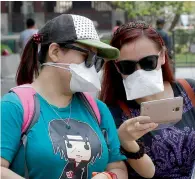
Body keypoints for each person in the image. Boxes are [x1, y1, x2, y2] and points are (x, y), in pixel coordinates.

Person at [1, 14, 154, 179]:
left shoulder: (98, 109)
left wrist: (108, 176)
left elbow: (118, 168)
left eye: (98, 61)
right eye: (88, 57)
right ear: (55, 52)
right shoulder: (15, 106)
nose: (93, 68)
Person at [100, 21, 195, 179]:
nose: (139, 72)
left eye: (148, 62)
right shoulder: (113, 112)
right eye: (127, 66)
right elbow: (148, 173)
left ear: (163, 56)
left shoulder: (188, 90)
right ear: (117, 68)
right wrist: (126, 140)